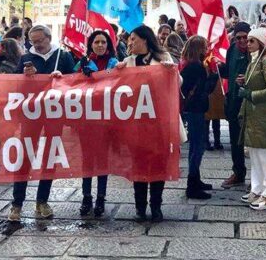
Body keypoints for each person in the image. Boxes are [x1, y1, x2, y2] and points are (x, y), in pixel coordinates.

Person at [7, 25, 75, 222]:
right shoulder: (25, 59)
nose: (37, 45)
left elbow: (73, 82)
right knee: (25, 156)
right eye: (33, 42)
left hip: (54, 114)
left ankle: (42, 201)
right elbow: (16, 85)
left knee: (50, 156)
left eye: (40, 41)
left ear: (49, 38)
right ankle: (16, 203)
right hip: (31, 114)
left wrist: (62, 79)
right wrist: (26, 77)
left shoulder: (63, 56)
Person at [116, 25, 174, 222]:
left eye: (133, 39)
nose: (130, 42)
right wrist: (117, 73)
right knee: (138, 164)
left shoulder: (163, 58)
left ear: (144, 40)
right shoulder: (126, 62)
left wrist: (170, 72)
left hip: (158, 123)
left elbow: (178, 84)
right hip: (136, 124)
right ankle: (140, 206)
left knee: (158, 163)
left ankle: (156, 205)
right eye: (129, 39)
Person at [239, 27, 266, 211]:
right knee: (255, 154)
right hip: (253, 114)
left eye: (251, 41)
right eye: (248, 41)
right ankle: (257, 189)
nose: (248, 44)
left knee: (264, 156)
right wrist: (244, 82)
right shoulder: (254, 60)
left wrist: (250, 94)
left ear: (261, 43)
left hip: (262, 114)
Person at [78, 30, 118, 217]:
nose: (100, 45)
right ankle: (87, 197)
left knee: (102, 160)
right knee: (87, 160)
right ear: (91, 45)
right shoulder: (83, 63)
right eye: (96, 42)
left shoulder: (116, 64)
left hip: (107, 119)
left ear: (108, 45)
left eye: (103, 42)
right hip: (86, 119)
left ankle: (101, 198)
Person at [180, 35, 219, 200]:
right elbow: (206, 89)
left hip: (193, 108)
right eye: (205, 47)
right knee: (198, 146)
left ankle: (195, 179)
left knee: (197, 146)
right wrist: (213, 75)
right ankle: (192, 184)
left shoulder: (190, 65)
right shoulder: (196, 67)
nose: (207, 50)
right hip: (195, 109)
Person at [219, 22, 251, 188]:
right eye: (238, 38)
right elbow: (228, 71)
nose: (242, 41)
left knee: (257, 142)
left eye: (245, 37)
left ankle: (262, 179)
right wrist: (218, 67)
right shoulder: (232, 50)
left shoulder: (256, 51)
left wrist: (248, 80)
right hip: (233, 101)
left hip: (252, 102)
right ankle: (238, 173)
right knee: (235, 140)